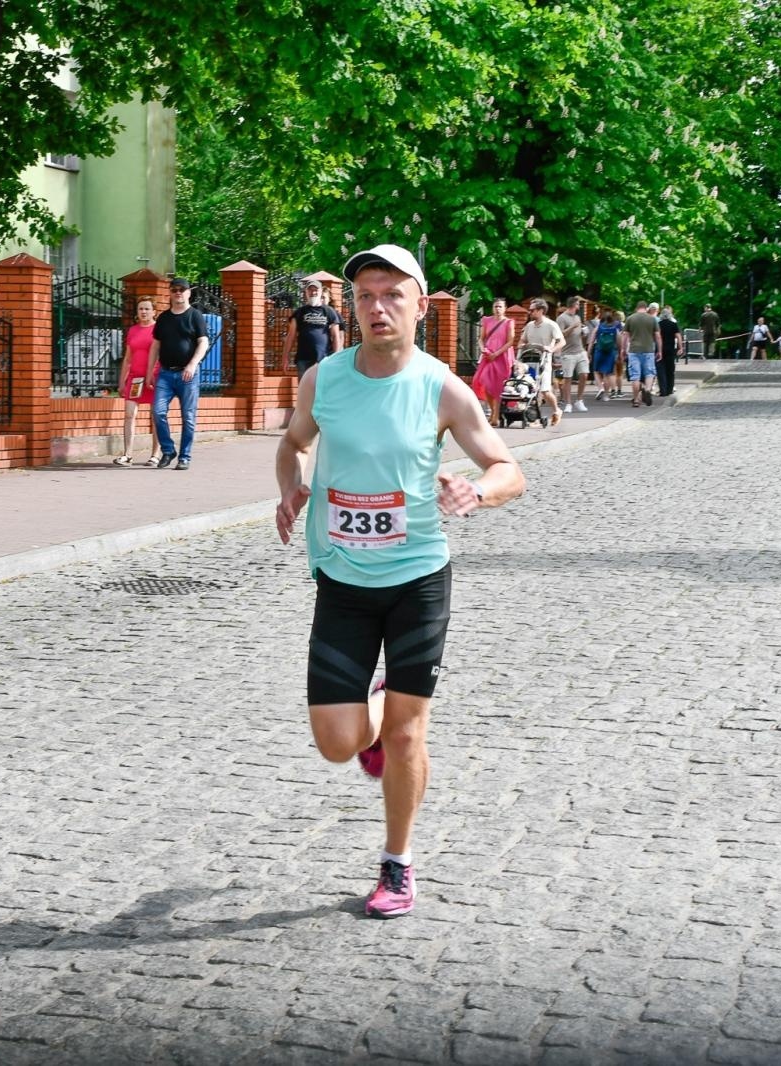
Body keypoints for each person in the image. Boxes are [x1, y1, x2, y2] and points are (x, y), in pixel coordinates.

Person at [275, 243, 525, 919]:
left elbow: (508, 467)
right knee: (337, 743)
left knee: (410, 735)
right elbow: (294, 442)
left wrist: (479, 491)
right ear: (351, 307)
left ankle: (397, 863)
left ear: (420, 303)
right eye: (365, 296)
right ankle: (379, 705)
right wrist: (292, 489)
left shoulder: (442, 386)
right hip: (343, 580)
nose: (377, 307)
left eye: (392, 294)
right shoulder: (322, 380)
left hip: (418, 577)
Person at [147, 277, 211, 470]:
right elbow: (156, 345)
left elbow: (203, 342)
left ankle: (184, 456)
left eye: (182, 289)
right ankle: (168, 450)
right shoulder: (164, 318)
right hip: (165, 374)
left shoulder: (195, 316)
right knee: (157, 412)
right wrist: (150, 371)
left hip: (188, 375)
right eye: (174, 289)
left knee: (188, 417)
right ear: (170, 292)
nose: (178, 292)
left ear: (189, 292)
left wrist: (192, 364)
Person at [113, 297, 162, 466]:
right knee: (129, 415)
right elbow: (127, 358)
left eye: (147, 309)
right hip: (135, 379)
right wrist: (121, 381)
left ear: (154, 312)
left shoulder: (158, 330)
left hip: (154, 379)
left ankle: (155, 454)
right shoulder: (133, 330)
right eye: (141, 308)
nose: (143, 312)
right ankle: (127, 454)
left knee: (155, 417)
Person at [283, 279, 344, 378]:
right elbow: (291, 336)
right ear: (306, 292)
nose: (313, 292)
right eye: (310, 290)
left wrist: (335, 358)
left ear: (320, 292)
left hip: (324, 359)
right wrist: (285, 357)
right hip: (303, 359)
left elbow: (336, 336)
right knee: (305, 390)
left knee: (322, 389)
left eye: (316, 290)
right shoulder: (299, 313)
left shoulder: (329, 311)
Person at [471, 298, 516, 428]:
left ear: (505, 308)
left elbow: (510, 342)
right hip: (488, 356)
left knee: (498, 386)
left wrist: (496, 353)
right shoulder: (487, 320)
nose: (497, 309)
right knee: (482, 381)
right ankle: (493, 411)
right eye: (495, 306)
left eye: (500, 307)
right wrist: (483, 349)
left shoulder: (509, 323)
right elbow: (481, 339)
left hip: (502, 357)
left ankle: (495, 416)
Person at [519, 298, 564, 427]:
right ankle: (534, 418)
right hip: (529, 361)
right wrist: (522, 345)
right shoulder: (529, 326)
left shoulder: (551, 325)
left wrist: (551, 349)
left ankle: (556, 411)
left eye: (532, 310)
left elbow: (562, 341)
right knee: (530, 389)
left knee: (544, 390)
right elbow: (521, 341)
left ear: (541, 311)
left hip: (544, 362)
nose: (530, 312)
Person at [555, 296, 590, 413]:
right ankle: (568, 403)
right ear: (573, 305)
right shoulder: (561, 318)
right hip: (568, 353)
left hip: (580, 351)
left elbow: (578, 333)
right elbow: (560, 335)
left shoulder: (577, 317)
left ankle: (579, 400)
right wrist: (572, 326)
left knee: (584, 374)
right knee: (568, 378)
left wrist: (583, 333)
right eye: (578, 304)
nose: (579, 306)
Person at [623, 300, 660, 408]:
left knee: (635, 376)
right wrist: (660, 350)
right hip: (648, 350)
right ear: (646, 308)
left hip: (634, 351)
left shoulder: (630, 318)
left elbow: (625, 335)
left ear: (637, 308)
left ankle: (636, 400)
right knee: (649, 373)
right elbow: (657, 336)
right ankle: (648, 389)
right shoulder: (652, 319)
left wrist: (623, 350)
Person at [591, 309, 622, 401]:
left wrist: (588, 352)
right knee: (609, 373)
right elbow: (619, 342)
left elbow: (592, 340)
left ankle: (600, 388)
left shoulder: (598, 328)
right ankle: (609, 393)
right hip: (610, 352)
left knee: (596, 371)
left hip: (599, 351)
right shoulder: (615, 329)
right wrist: (620, 353)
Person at [656, 305, 683, 397]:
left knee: (661, 370)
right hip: (671, 349)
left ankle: (663, 390)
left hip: (660, 349)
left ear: (661, 315)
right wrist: (680, 347)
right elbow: (678, 336)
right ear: (670, 315)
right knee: (670, 370)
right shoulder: (673, 324)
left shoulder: (658, 325)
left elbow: (656, 336)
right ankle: (670, 389)